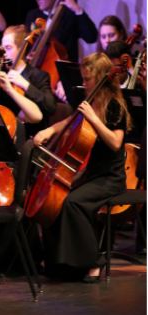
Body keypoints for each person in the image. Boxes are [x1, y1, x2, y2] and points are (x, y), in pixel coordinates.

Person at [33, 52, 131, 282]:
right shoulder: (90, 101)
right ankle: (62, 264)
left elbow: (116, 143)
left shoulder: (114, 105)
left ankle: (94, 262)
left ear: (100, 78)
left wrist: (95, 120)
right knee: (56, 203)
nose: (84, 83)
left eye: (88, 79)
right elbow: (70, 121)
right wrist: (49, 131)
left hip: (111, 178)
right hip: (92, 174)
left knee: (73, 203)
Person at [0, 25, 56, 139]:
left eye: (8, 48)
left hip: (29, 137)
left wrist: (25, 84)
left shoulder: (38, 76)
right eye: (2, 48)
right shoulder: (1, 74)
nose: (4, 53)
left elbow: (50, 106)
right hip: (5, 133)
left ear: (21, 49)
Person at [25, 0, 97, 63]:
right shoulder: (32, 16)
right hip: (38, 71)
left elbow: (91, 37)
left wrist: (78, 10)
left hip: (64, 72)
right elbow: (28, 46)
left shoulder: (70, 14)